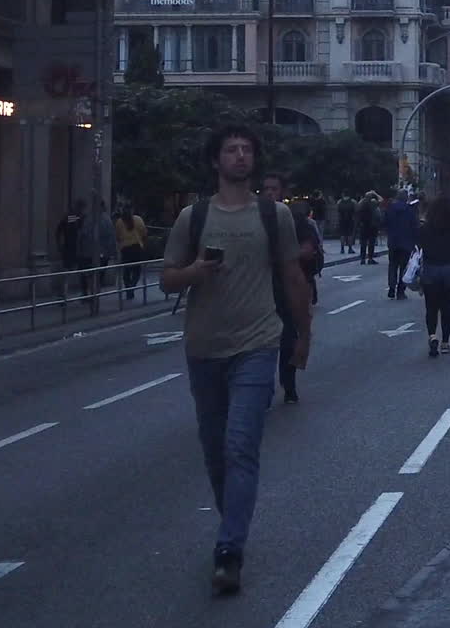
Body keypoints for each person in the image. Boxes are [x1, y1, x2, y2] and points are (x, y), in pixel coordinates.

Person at [161, 125, 310, 595]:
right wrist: (195, 272)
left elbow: (291, 276)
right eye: (231, 149)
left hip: (258, 343)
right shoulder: (193, 216)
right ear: (216, 160)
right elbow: (167, 279)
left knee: (240, 444)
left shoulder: (275, 216)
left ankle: (229, 549)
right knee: (214, 451)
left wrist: (303, 334)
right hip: (204, 348)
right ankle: (235, 521)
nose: (241, 157)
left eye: (247, 150)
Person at [261, 174, 320, 404]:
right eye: (265, 189)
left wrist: (281, 257)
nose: (269, 193)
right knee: (260, 343)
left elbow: (307, 249)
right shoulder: (252, 219)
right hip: (260, 288)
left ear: (282, 192)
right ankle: (262, 389)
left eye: (273, 189)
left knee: (287, 338)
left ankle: (289, 384)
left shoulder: (295, 219)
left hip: (287, 287)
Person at [418, 196, 450, 357]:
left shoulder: (425, 227)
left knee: (431, 306)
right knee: (447, 306)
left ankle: (432, 336)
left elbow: (419, 246)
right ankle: (445, 342)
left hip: (431, 268)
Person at [385, 191, 420, 299]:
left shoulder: (390, 209)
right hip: (406, 243)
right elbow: (415, 226)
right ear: (406, 199)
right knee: (404, 268)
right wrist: (416, 242)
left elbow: (384, 222)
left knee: (392, 265)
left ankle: (391, 288)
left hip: (393, 242)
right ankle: (400, 291)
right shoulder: (410, 210)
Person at [56, 200, 94, 297]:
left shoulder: (74, 217)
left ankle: (67, 294)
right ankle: (65, 294)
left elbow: (59, 230)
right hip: (75, 249)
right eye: (83, 208)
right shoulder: (74, 217)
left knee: (78, 273)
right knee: (81, 273)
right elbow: (62, 229)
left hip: (74, 248)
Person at [115, 205, 148, 299]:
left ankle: (128, 289)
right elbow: (144, 234)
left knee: (126, 271)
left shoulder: (119, 222)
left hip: (125, 249)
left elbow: (117, 237)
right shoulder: (138, 219)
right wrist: (145, 248)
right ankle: (132, 287)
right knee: (136, 271)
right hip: (137, 248)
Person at [357, 192, 381, 265]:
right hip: (372, 226)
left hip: (363, 225)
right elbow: (381, 200)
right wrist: (375, 193)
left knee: (363, 243)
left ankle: (362, 259)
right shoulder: (373, 203)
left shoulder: (360, 203)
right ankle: (370, 258)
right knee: (371, 243)